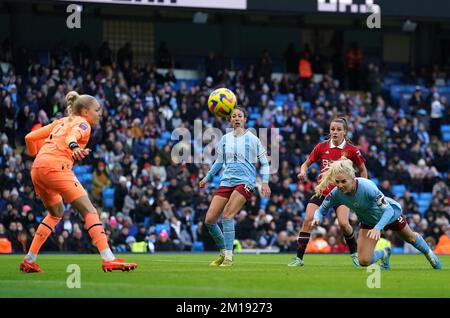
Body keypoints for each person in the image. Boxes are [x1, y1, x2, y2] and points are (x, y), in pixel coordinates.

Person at [20, 91, 137, 273]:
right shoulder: (83, 124)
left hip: (37, 169)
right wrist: (74, 147)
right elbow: (71, 137)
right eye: (97, 110)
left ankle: (29, 259)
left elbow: (29, 137)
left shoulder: (60, 122)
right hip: (57, 167)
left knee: (56, 213)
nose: (100, 113)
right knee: (89, 210)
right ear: (84, 111)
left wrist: (35, 155)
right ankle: (108, 258)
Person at [312, 159, 442, 270]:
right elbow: (321, 209)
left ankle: (429, 254)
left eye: (343, 181)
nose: (340, 185)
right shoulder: (336, 193)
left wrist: (378, 227)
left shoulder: (367, 187)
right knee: (363, 261)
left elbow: (388, 210)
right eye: (337, 182)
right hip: (368, 222)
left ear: (352, 178)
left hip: (390, 216)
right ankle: (385, 253)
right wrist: (317, 218)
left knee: (411, 239)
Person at [289, 117, 368, 267]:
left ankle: (354, 254)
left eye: (339, 129)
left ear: (345, 132)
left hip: (342, 194)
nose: (335, 132)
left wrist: (361, 188)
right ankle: (298, 259)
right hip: (322, 192)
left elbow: (363, 171)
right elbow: (306, 164)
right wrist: (302, 172)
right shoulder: (321, 147)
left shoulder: (352, 150)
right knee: (308, 220)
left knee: (344, 224)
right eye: (332, 129)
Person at [199, 107, 271, 267]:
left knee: (227, 215)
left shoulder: (253, 139)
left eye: (240, 116)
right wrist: (207, 177)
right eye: (233, 116)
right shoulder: (225, 138)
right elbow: (219, 162)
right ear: (229, 120)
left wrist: (265, 181)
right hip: (226, 181)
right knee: (210, 220)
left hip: (245, 182)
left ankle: (229, 258)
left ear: (245, 119)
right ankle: (223, 252)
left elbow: (265, 163)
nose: (237, 118)